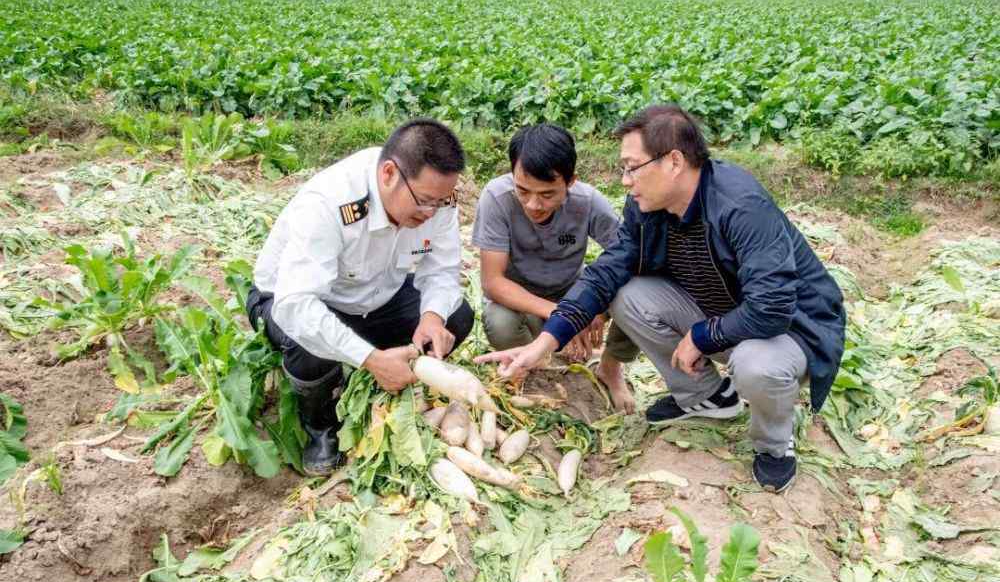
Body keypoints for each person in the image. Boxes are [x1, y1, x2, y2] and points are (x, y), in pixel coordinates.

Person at [476, 104, 846, 493]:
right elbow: (608, 270)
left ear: (673, 162)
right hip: (724, 311)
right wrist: (546, 342)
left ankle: (773, 446)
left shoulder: (741, 206)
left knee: (755, 364)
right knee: (628, 292)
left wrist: (704, 335)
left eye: (631, 167)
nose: (624, 180)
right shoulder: (645, 208)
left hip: (791, 331)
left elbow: (772, 306)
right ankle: (707, 398)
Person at [247, 118, 474, 476]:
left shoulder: (437, 202)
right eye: (424, 202)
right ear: (388, 174)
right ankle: (321, 428)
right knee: (309, 343)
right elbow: (297, 307)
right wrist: (369, 358)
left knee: (456, 316)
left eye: (440, 203)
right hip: (290, 300)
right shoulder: (329, 202)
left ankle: (381, 376)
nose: (431, 213)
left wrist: (431, 318)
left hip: (376, 296)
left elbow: (442, 271)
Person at [472, 123, 639, 412]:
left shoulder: (587, 202)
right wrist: (568, 317)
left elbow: (629, 258)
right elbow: (493, 283)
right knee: (499, 321)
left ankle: (610, 368)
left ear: (571, 181)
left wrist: (594, 308)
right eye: (523, 190)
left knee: (638, 287)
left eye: (547, 194)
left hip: (572, 292)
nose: (533, 204)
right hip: (524, 304)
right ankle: (537, 366)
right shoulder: (496, 199)